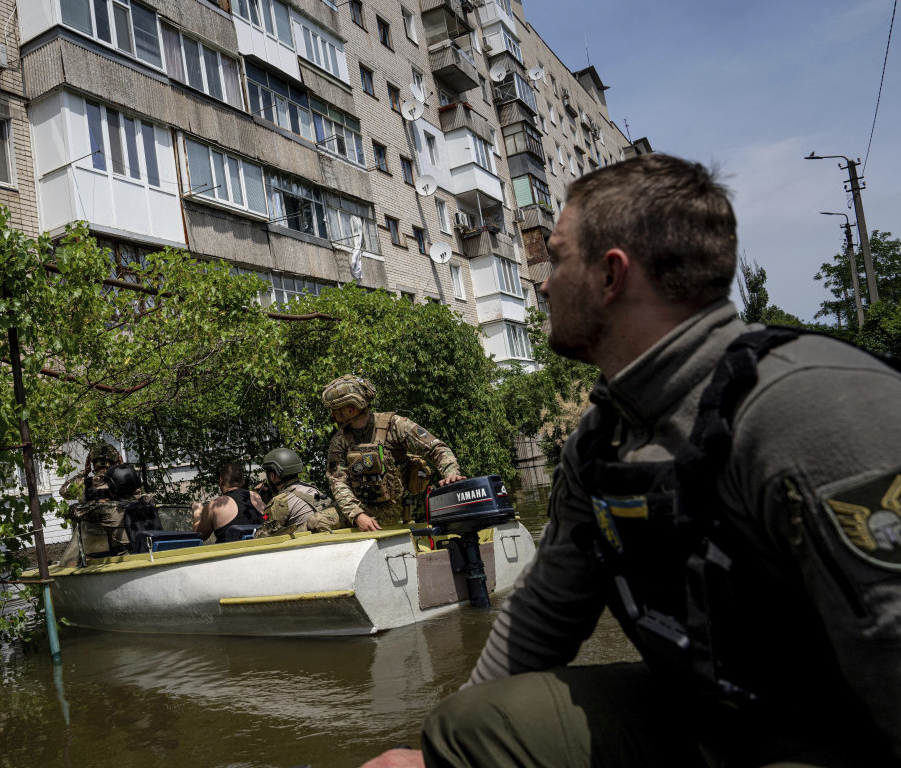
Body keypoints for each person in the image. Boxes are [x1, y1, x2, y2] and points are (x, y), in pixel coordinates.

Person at [362, 154, 901, 768]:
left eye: (558, 259)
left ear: (611, 275)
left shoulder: (816, 406)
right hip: (716, 717)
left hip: (839, 740)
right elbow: (542, 615)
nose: (541, 282)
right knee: (468, 727)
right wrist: (431, 761)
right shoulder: (603, 435)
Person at [322, 375, 466, 531]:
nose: (332, 416)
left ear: (350, 409)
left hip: (391, 509)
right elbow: (337, 481)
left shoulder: (395, 426)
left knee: (319, 522)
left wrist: (451, 473)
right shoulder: (339, 440)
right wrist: (358, 515)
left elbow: (436, 448)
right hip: (361, 508)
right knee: (315, 520)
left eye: (335, 410)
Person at [254, 447, 342, 538]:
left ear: (272, 476)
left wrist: (266, 512)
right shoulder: (313, 489)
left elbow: (263, 537)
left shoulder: (279, 501)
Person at [195, 463, 265, 542]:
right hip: (259, 550)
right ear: (242, 482)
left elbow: (198, 537)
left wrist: (197, 512)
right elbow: (266, 517)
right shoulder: (256, 497)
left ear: (221, 481)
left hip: (230, 553)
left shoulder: (214, 505)